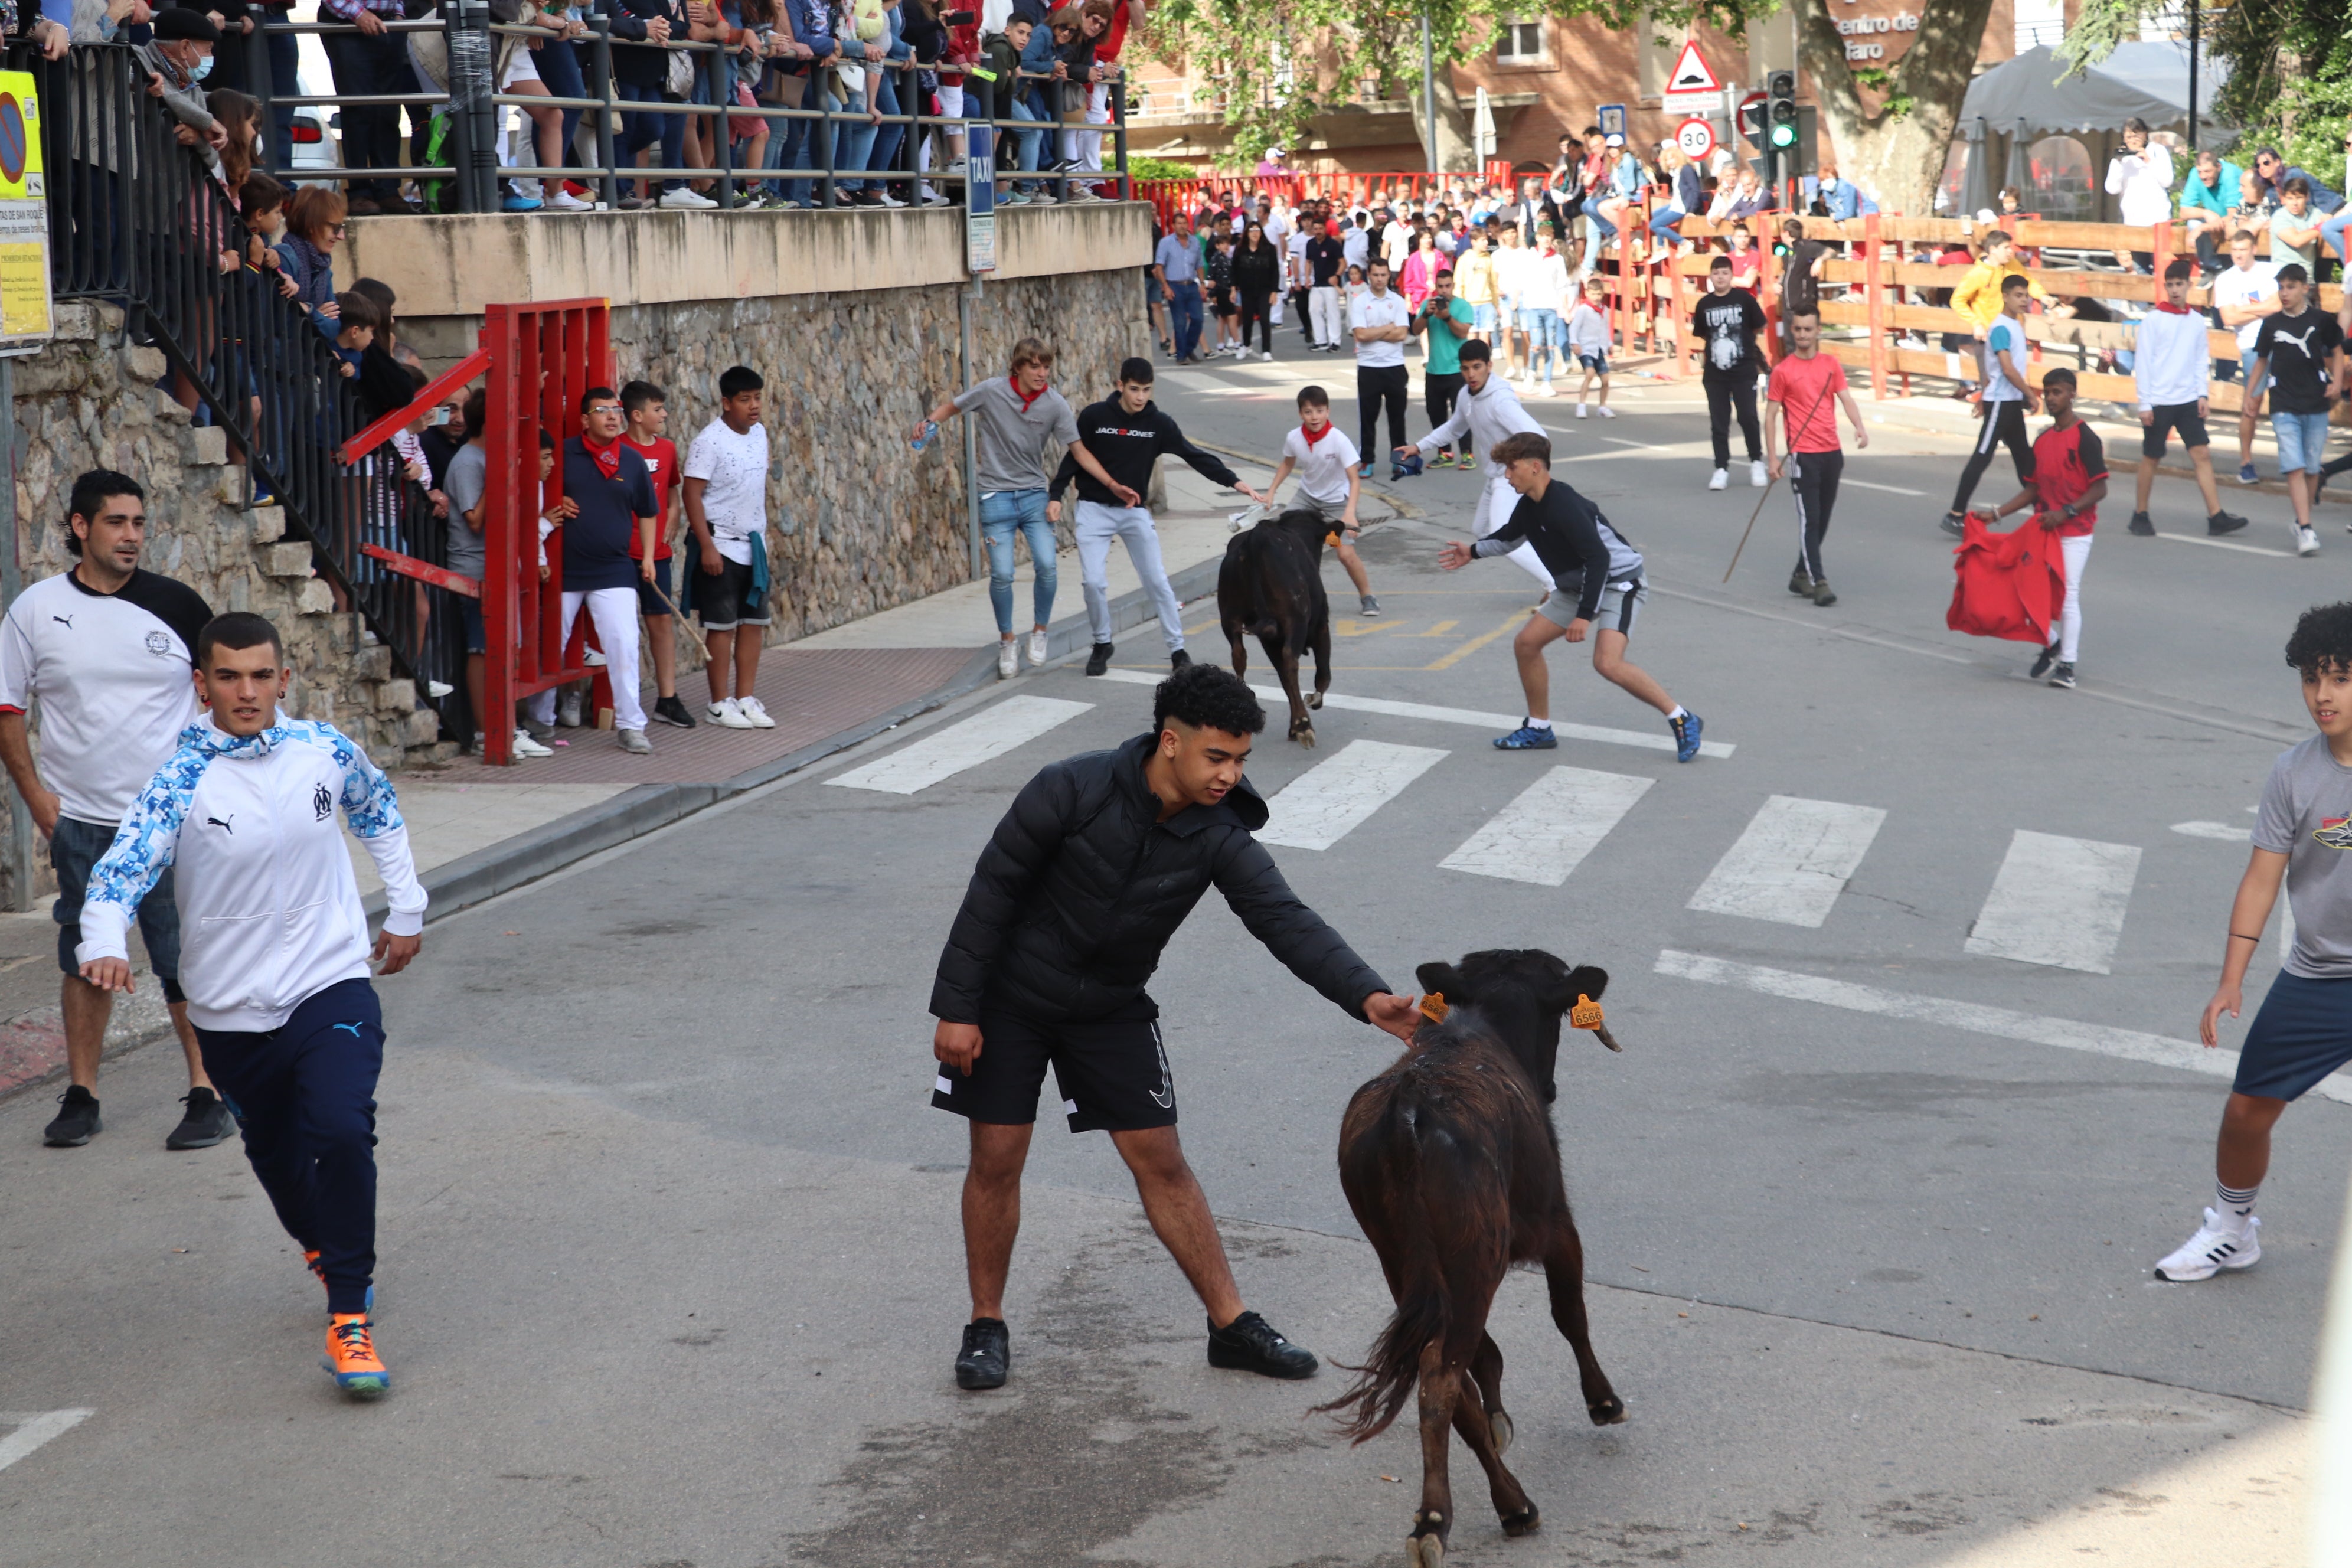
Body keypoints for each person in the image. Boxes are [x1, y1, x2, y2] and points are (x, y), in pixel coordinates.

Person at [930, 662, 1420, 1393]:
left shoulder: (1218, 833)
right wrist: (959, 1007)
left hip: (1111, 1006)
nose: (1230, 774)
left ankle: (1231, 1324)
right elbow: (992, 890)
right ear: (1170, 742)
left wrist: (1369, 997)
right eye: (1216, 757)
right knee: (997, 1157)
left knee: (1162, 1158)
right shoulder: (1070, 787)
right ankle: (986, 1325)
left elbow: (1283, 918)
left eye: (1241, 759)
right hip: (1011, 1000)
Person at [75, 611, 423, 1396]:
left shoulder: (324, 752)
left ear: (284, 681)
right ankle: (321, 1243)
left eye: (261, 676)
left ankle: (349, 1318)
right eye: (229, 676)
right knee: (273, 1149)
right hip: (229, 1009)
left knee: (339, 1126)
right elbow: (120, 872)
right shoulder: (178, 779)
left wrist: (407, 909)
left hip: (328, 978)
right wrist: (102, 939)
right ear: (202, 684)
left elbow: (379, 811)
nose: (247, 691)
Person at [0, 472, 225, 1151]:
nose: (131, 536)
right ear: (79, 526)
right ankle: (82, 1094)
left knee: (184, 958)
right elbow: (9, 707)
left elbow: (228, 692)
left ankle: (208, 1091)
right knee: (81, 955)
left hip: (171, 821)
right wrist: (37, 796)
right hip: (83, 824)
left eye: (138, 523)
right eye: (116, 522)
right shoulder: (35, 610)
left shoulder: (179, 606)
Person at [2165, 602, 2352, 1282]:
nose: (2323, 695)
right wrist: (2230, 978)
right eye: (2312, 679)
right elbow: (2260, 880)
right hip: (2322, 976)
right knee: (2247, 1109)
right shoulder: (2294, 773)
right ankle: (2231, 1230)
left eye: (2340, 678)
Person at [1436, 432, 1703, 762]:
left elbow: (1600, 559)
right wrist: (1472, 552)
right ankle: (1538, 728)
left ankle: (1681, 717)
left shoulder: (1564, 504)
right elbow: (1507, 538)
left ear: (1535, 467)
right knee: (1526, 644)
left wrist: (1582, 615)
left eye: (1512, 467)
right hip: (1578, 586)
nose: (1507, 475)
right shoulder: (1530, 506)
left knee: (1607, 662)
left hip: (1620, 583)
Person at [913, 339, 1131, 680]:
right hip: (995, 497)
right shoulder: (991, 391)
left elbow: (1078, 450)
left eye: (1046, 366)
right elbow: (952, 407)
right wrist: (929, 422)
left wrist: (1112, 484)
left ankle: (1040, 632)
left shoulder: (1054, 404)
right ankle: (1007, 640)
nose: (1042, 373)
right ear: (1017, 367)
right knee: (1002, 575)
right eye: (1034, 366)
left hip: (1033, 495)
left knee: (1047, 564)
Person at [1050, 358, 1265, 676]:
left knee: (1157, 581)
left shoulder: (1158, 423)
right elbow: (1074, 458)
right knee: (1093, 583)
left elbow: (1194, 455)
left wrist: (1233, 481)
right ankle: (1101, 643)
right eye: (1134, 389)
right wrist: (1055, 494)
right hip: (1094, 509)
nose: (1140, 397)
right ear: (1120, 386)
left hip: (1134, 512)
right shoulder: (1095, 417)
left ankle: (1178, 650)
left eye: (1146, 390)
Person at [528, 386, 658, 754]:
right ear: (585, 420)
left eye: (616, 409)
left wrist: (646, 557)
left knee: (623, 643)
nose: (613, 416)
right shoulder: (563, 454)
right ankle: (541, 720)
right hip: (563, 569)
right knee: (550, 643)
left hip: (615, 568)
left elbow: (648, 512)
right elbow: (536, 489)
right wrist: (556, 501)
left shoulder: (631, 461)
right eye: (603, 410)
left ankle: (631, 725)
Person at [1981, 368, 2109, 690]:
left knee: (2067, 596)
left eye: (2057, 392)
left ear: (2072, 395)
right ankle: (2052, 643)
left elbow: (2099, 490)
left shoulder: (2085, 438)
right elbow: (2032, 490)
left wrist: (2066, 513)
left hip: (2075, 531)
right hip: (2044, 529)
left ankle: (2068, 664)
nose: (2051, 398)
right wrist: (1996, 514)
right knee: (2025, 590)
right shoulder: (2042, 441)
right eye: (2047, 392)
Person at [1400, 339, 1551, 597]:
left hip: (1511, 479)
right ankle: (1544, 546)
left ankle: (1555, 585)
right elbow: (1455, 427)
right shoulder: (1465, 395)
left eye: (1478, 367)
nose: (1471, 374)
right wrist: (1418, 446)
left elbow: (1537, 435)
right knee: (1482, 532)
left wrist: (1522, 467)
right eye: (1466, 368)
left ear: (1490, 366)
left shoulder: (1500, 401)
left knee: (1502, 539)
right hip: (1495, 478)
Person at [2127, 258, 2250, 539]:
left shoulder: (2196, 321)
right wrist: (2144, 403)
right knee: (2152, 457)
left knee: (2202, 454)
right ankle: (2140, 513)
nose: (2174, 290)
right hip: (2159, 400)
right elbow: (2144, 362)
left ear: (2189, 285)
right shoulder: (2154, 320)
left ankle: (2216, 516)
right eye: (2169, 285)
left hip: (2187, 400)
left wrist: (2202, 394)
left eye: (2179, 284)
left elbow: (2199, 360)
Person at [1766, 305, 1871, 607]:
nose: (1802, 335)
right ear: (1792, 331)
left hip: (1832, 453)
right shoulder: (1783, 371)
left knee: (1822, 519)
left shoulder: (1830, 364)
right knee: (1809, 520)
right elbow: (1771, 417)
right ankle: (1818, 580)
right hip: (1803, 456)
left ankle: (1801, 573)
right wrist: (1773, 459)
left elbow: (1846, 397)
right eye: (1798, 329)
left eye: (1808, 329)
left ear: (1818, 331)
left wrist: (1860, 427)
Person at [2251, 264, 2344, 558]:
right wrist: (2251, 394)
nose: (2285, 293)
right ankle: (2305, 528)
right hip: (2283, 403)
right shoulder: (2272, 324)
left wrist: (2338, 383)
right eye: (2281, 287)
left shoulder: (2321, 320)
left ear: (2305, 288)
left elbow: (2338, 351)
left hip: (2316, 402)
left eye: (2291, 287)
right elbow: (2261, 361)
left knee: (2313, 468)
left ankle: (2301, 521)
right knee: (2295, 465)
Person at [620, 380, 695, 729]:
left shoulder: (667, 449)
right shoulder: (615, 448)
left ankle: (667, 698)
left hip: (658, 553)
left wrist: (676, 513)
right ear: (637, 416)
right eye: (657, 409)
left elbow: (672, 491)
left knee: (661, 622)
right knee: (618, 627)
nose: (664, 414)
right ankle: (612, 699)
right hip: (619, 553)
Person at [1940, 275, 2040, 536]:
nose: (2024, 300)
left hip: (2009, 403)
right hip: (2001, 403)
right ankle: (1956, 514)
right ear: (2005, 296)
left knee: (2024, 457)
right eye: (2018, 295)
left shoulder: (2016, 325)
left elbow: (1993, 369)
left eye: (2026, 295)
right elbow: (2006, 368)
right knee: (1982, 457)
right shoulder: (2001, 327)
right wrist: (2030, 394)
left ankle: (2043, 508)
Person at [316, 0, 423, 215]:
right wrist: (359, 14)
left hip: (389, 22)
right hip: (346, 21)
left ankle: (388, 190)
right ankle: (359, 192)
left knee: (388, 110)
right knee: (358, 109)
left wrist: (399, 14)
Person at [2213, 228, 2283, 485]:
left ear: (2254, 249)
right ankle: (2245, 462)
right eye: (2234, 250)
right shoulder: (2225, 280)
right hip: (2251, 345)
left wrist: (2245, 309)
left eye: (2243, 250)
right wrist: (2264, 310)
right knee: (2251, 404)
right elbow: (2229, 318)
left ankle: (2291, 461)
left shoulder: (2271, 271)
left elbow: (2278, 306)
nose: (2238, 255)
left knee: (2288, 403)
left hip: (2279, 342)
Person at [1692, 254, 1768, 491]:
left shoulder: (1744, 299)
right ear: (1711, 277)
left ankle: (1756, 461)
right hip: (1715, 374)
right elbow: (1703, 333)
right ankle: (1721, 468)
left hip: (1744, 369)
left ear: (1731, 275)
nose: (1721, 277)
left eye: (1725, 273)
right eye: (1716, 273)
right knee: (1719, 422)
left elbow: (1759, 324)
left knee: (1748, 417)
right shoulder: (1704, 304)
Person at [1351, 258, 1411, 473]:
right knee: (1368, 418)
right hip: (1369, 367)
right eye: (1375, 275)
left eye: (1383, 275)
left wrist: (1373, 332)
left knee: (1397, 418)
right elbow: (1361, 335)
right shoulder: (1359, 302)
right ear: (1369, 275)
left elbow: (1402, 334)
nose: (1379, 279)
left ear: (1388, 275)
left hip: (1395, 366)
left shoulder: (1397, 301)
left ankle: (1399, 460)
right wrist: (1388, 328)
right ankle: (1367, 460)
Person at [1413, 265, 1474, 466]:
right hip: (1434, 370)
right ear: (1436, 287)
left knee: (1462, 414)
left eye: (1448, 286)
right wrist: (1425, 315)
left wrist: (1447, 317)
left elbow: (1463, 333)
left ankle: (1467, 454)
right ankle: (1445, 453)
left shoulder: (1463, 306)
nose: (1444, 291)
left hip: (1457, 371)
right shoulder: (1427, 305)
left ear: (1453, 286)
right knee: (1436, 414)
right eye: (1440, 287)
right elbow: (1415, 330)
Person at [2103, 117, 2174, 272]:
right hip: (2133, 222)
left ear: (2145, 134)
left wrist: (2148, 161)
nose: (2133, 140)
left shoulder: (2157, 150)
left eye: (2137, 135)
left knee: (2162, 269)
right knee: (2140, 269)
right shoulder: (2120, 158)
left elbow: (2167, 180)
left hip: (2158, 220)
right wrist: (2119, 163)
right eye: (2129, 136)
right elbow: (2112, 189)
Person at [1154, 213, 1204, 364]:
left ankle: (1189, 349)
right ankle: (1181, 355)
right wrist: (1166, 287)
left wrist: (1203, 284)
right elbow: (1159, 266)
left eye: (1184, 223)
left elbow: (1199, 265)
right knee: (1180, 322)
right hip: (1175, 286)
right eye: (1179, 223)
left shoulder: (1194, 242)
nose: (1182, 226)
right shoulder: (1166, 243)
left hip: (1191, 284)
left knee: (1198, 319)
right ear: (1173, 226)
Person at [1230, 220, 1282, 362]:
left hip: (1265, 290)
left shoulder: (1269, 249)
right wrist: (1233, 288)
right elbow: (1234, 270)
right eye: (1252, 230)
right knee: (1247, 320)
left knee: (1265, 319)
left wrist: (1274, 291)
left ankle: (1267, 350)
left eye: (1257, 230)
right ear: (1247, 233)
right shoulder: (1240, 250)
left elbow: (1275, 271)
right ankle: (1246, 345)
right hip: (1246, 290)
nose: (1255, 234)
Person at [1564, 274, 1613, 419]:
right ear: (1587, 293)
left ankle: (1603, 407)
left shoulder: (1604, 310)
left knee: (1605, 379)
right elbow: (1574, 328)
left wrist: (1609, 344)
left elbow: (1605, 328)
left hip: (1599, 347)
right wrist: (1575, 343)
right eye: (1593, 294)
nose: (1596, 297)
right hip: (1585, 347)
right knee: (1590, 374)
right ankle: (1582, 405)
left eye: (1599, 294)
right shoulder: (1584, 310)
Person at [1305, 218, 1346, 352]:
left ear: (1325, 229)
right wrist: (1306, 278)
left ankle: (1335, 342)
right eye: (1315, 229)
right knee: (1314, 310)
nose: (1318, 232)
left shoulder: (1333, 244)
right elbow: (1308, 262)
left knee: (1332, 313)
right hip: (1317, 283)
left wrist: (1337, 276)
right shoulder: (1310, 244)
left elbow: (1343, 262)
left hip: (1331, 284)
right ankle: (1320, 341)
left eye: (1320, 229)